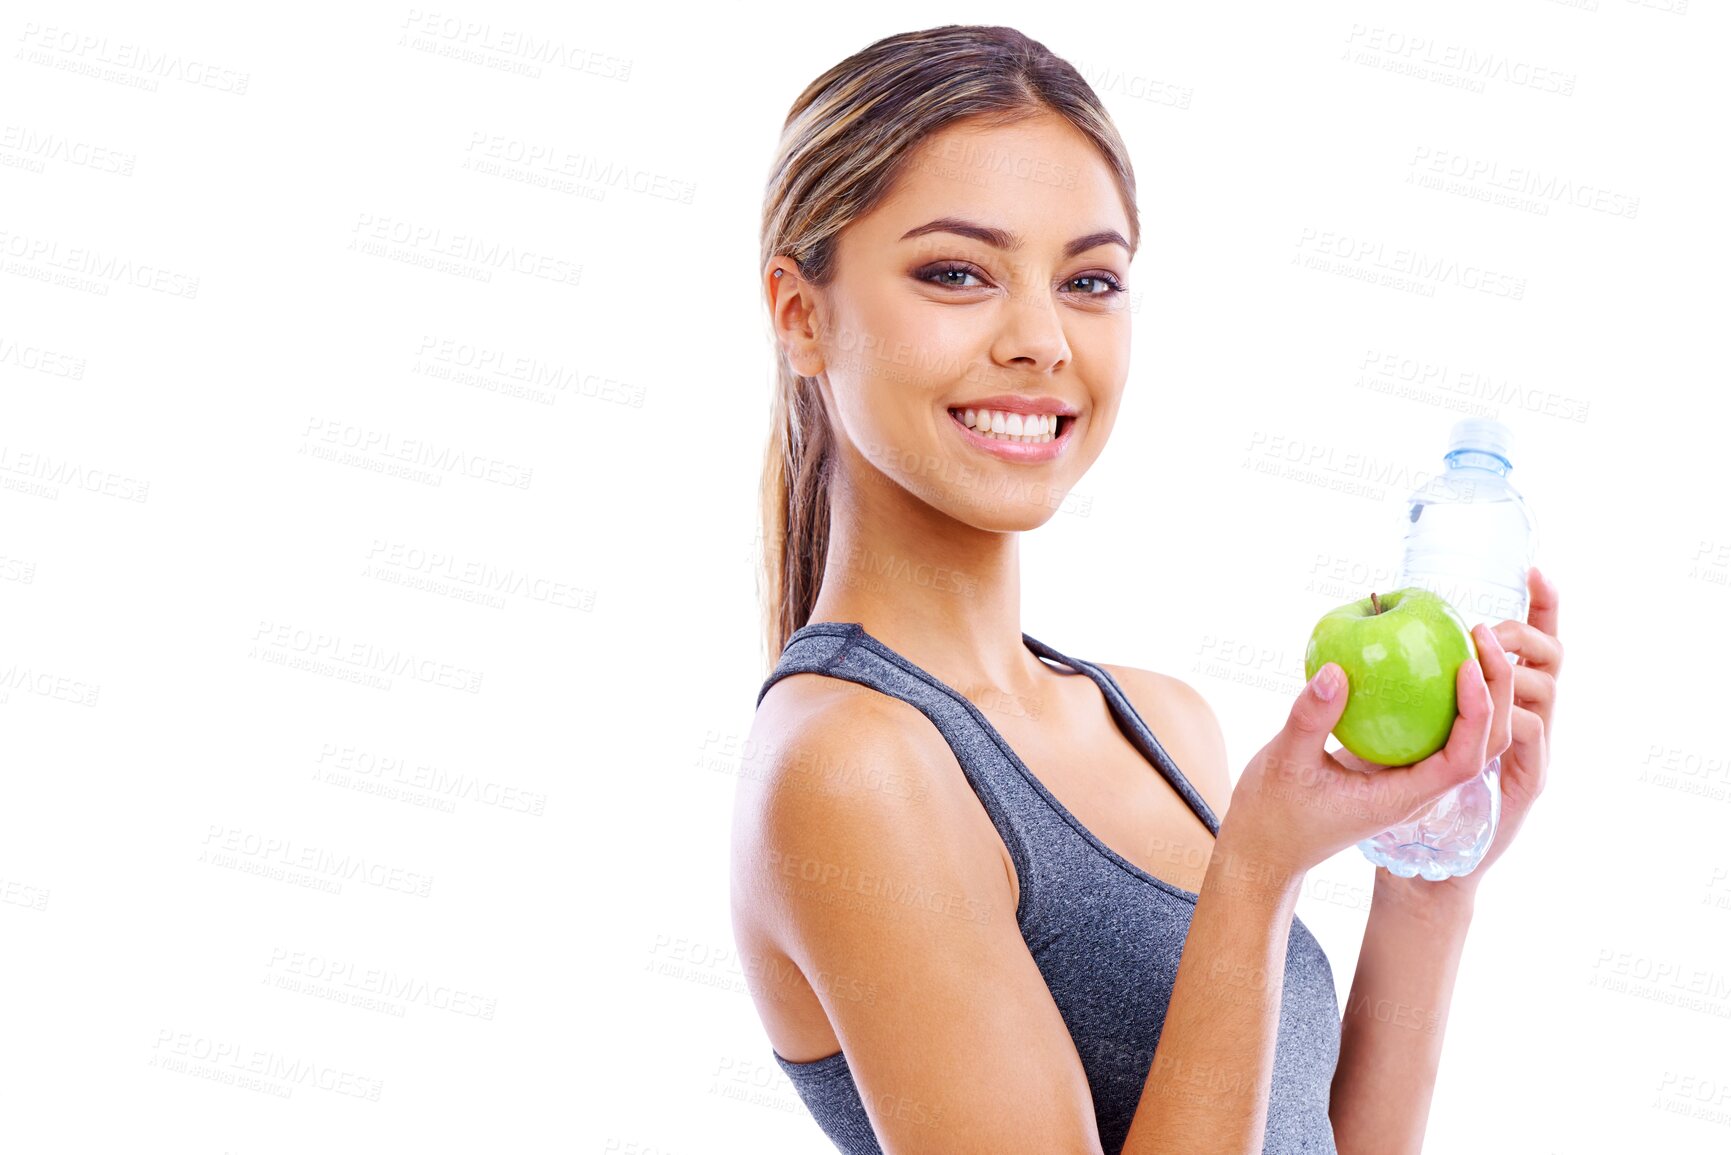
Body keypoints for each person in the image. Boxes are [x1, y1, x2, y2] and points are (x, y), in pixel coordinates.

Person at [730, 24, 1563, 1155]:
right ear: (800, 313)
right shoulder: (850, 766)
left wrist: (1435, 865)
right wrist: (1257, 873)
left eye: (1089, 280)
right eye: (958, 273)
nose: (1039, 339)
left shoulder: (1163, 722)